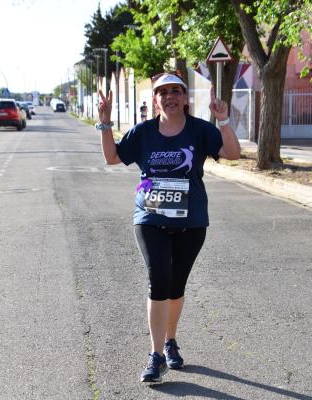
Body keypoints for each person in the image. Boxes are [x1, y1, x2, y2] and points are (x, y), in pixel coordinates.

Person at [96, 72, 240, 383]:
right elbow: (112, 157)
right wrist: (105, 123)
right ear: (155, 99)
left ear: (186, 99)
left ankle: (170, 340)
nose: (170, 96)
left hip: (191, 221)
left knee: (176, 286)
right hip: (150, 219)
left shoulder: (200, 130)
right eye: (164, 92)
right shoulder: (144, 132)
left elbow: (232, 153)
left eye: (176, 91)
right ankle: (156, 355)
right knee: (158, 280)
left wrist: (224, 120)